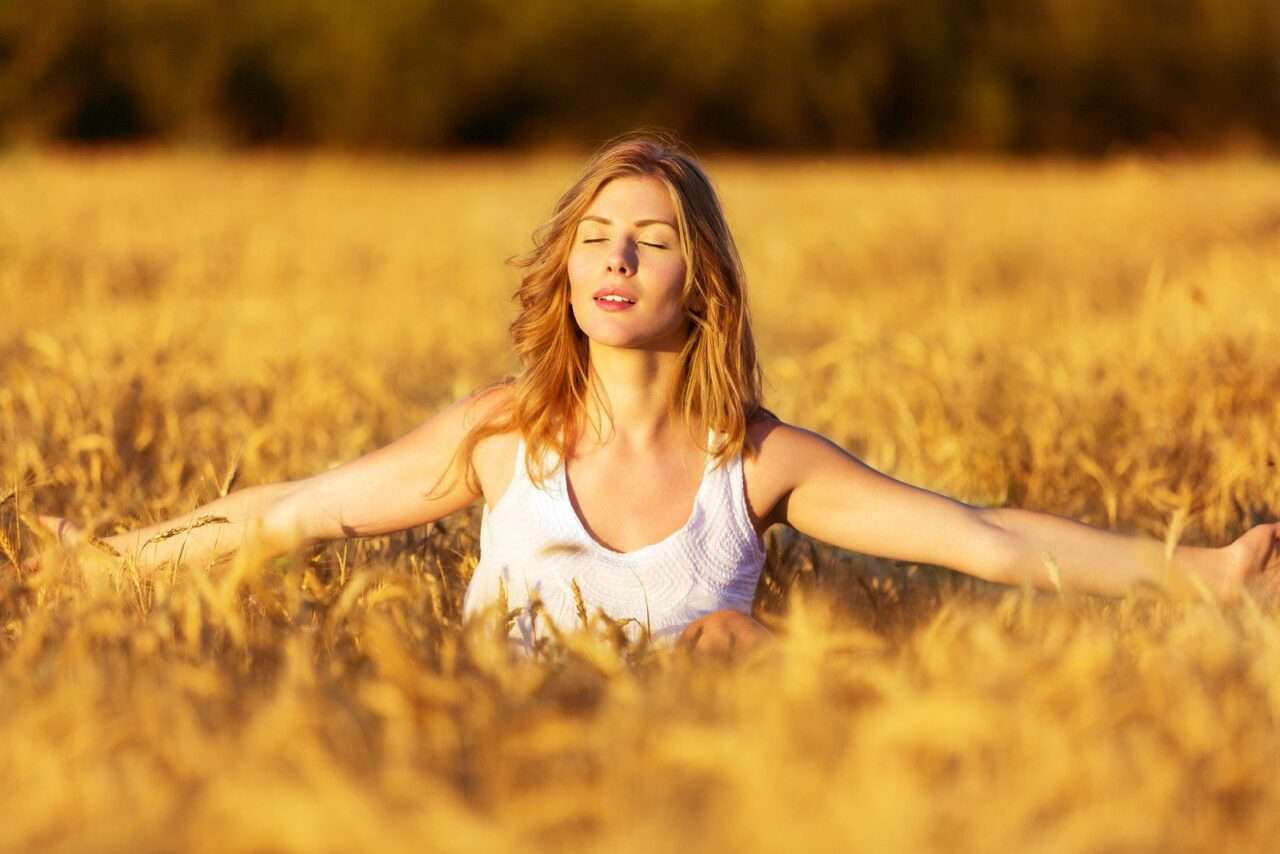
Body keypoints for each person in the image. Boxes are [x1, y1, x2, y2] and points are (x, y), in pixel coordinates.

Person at [30, 132, 1280, 659]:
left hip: (690, 804)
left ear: (702, 280)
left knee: (732, 643)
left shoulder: (759, 461)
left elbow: (985, 537)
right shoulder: (500, 436)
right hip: (496, 778)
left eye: (652, 239)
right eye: (594, 238)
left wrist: (1207, 572)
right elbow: (292, 511)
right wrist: (114, 566)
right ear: (566, 274)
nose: (617, 259)